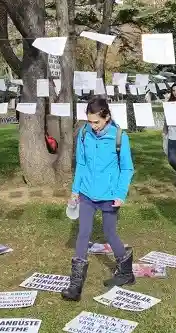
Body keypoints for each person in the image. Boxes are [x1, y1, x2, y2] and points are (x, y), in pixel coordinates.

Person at [62, 98, 135, 302]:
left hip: (110, 196)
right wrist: (75, 191)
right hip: (86, 194)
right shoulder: (84, 134)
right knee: (83, 233)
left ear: (107, 117)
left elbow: (127, 168)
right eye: (90, 121)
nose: (93, 126)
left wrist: (120, 194)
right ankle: (75, 286)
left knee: (109, 233)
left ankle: (126, 272)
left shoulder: (120, 137)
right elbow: (81, 164)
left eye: (96, 122)